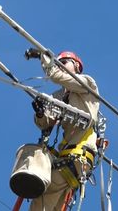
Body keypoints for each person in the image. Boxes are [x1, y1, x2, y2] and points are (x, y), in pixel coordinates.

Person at [30, 50, 100, 210]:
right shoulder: (60, 95)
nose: (60, 67)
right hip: (69, 159)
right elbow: (45, 123)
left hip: (77, 156)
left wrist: (47, 62)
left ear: (76, 65)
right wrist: (41, 113)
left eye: (64, 63)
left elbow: (56, 76)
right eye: (58, 64)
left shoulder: (87, 83)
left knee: (42, 199)